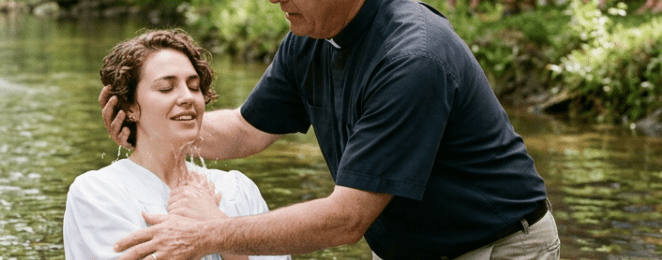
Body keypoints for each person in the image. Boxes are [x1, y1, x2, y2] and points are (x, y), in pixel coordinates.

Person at [99, 0, 561, 259]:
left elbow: (347, 219)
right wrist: (156, 127)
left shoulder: (413, 58)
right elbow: (245, 128)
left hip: (498, 248)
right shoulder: (309, 40)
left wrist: (206, 234)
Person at [64, 29, 291, 260]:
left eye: (194, 87)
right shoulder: (98, 194)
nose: (187, 97)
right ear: (130, 106)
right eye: (166, 88)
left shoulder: (238, 190)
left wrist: (218, 228)